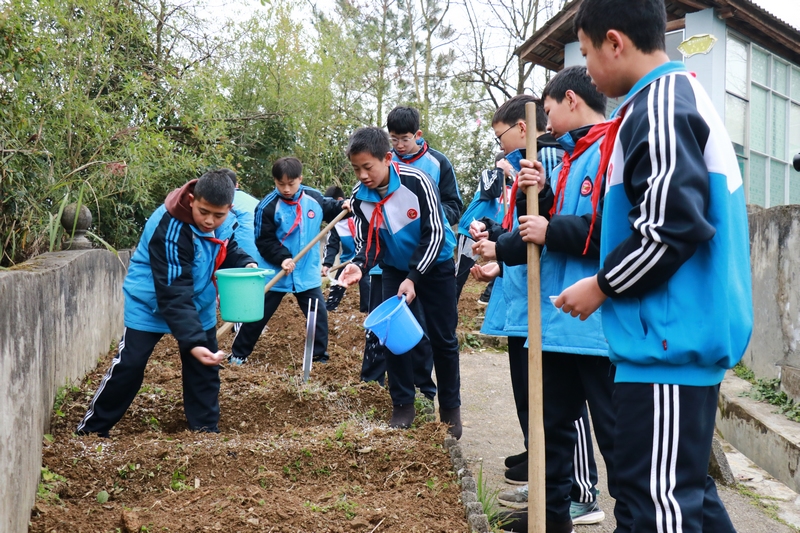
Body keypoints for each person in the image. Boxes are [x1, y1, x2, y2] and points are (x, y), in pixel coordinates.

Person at [549, 1, 753, 532]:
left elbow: (670, 230)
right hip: (668, 341)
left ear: (615, 42)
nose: (588, 70)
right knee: (688, 503)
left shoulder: (659, 107)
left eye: (589, 53)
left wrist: (601, 284)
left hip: (666, 345)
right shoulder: (659, 103)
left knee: (653, 509)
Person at [474, 68, 614, 532]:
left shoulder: (612, 147)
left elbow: (609, 231)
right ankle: (548, 520)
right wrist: (545, 193)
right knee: (550, 432)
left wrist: (549, 227)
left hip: (596, 326)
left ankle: (622, 515)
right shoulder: (568, 155)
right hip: (554, 322)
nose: (546, 125)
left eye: (548, 111)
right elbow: (549, 222)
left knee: (616, 440)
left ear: (569, 100)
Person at [76, 170, 258, 437]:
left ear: (229, 208)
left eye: (218, 215)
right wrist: (194, 341)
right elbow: (174, 291)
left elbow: (224, 248)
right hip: (151, 302)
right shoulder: (171, 225)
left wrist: (245, 263)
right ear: (193, 199)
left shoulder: (225, 220)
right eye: (204, 212)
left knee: (204, 369)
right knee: (131, 364)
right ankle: (92, 431)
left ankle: (206, 432)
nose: (210, 221)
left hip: (198, 302)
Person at [339, 126, 462, 437]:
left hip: (435, 264)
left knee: (443, 338)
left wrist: (414, 278)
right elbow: (367, 242)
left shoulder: (417, 182)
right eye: (357, 169)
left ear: (387, 158)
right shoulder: (359, 198)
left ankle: (450, 409)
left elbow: (434, 233)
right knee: (393, 337)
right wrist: (358, 265)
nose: (363, 175)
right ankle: (403, 404)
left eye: (368, 167)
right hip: (395, 267)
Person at [228, 157, 347, 365]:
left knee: (317, 315)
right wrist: (282, 258)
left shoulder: (314, 198)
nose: (286, 189)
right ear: (274, 181)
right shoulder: (267, 207)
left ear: (300, 179)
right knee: (258, 314)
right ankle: (239, 354)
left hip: (306, 271)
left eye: (291, 184)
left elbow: (330, 209)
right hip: (276, 270)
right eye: (280, 184)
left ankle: (319, 356)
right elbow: (263, 240)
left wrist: (343, 207)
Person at [386, 105, 463, 226]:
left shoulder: (439, 162)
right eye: (394, 139)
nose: (399, 145)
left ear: (417, 135)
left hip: (430, 232)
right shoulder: (385, 161)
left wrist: (430, 215)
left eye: (405, 139)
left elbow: (453, 206)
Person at [454, 151, 510, 303]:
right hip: (472, 231)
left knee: (504, 266)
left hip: (494, 234)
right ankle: (446, 311)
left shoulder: (514, 186)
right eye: (509, 162)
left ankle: (487, 296)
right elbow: (491, 191)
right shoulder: (489, 175)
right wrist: (499, 169)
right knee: (460, 275)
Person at [322, 185, 369, 313]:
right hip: (346, 260)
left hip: (364, 259)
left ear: (340, 200)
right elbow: (332, 244)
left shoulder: (359, 212)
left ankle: (366, 312)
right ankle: (330, 309)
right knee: (337, 283)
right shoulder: (335, 222)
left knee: (366, 284)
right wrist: (327, 264)